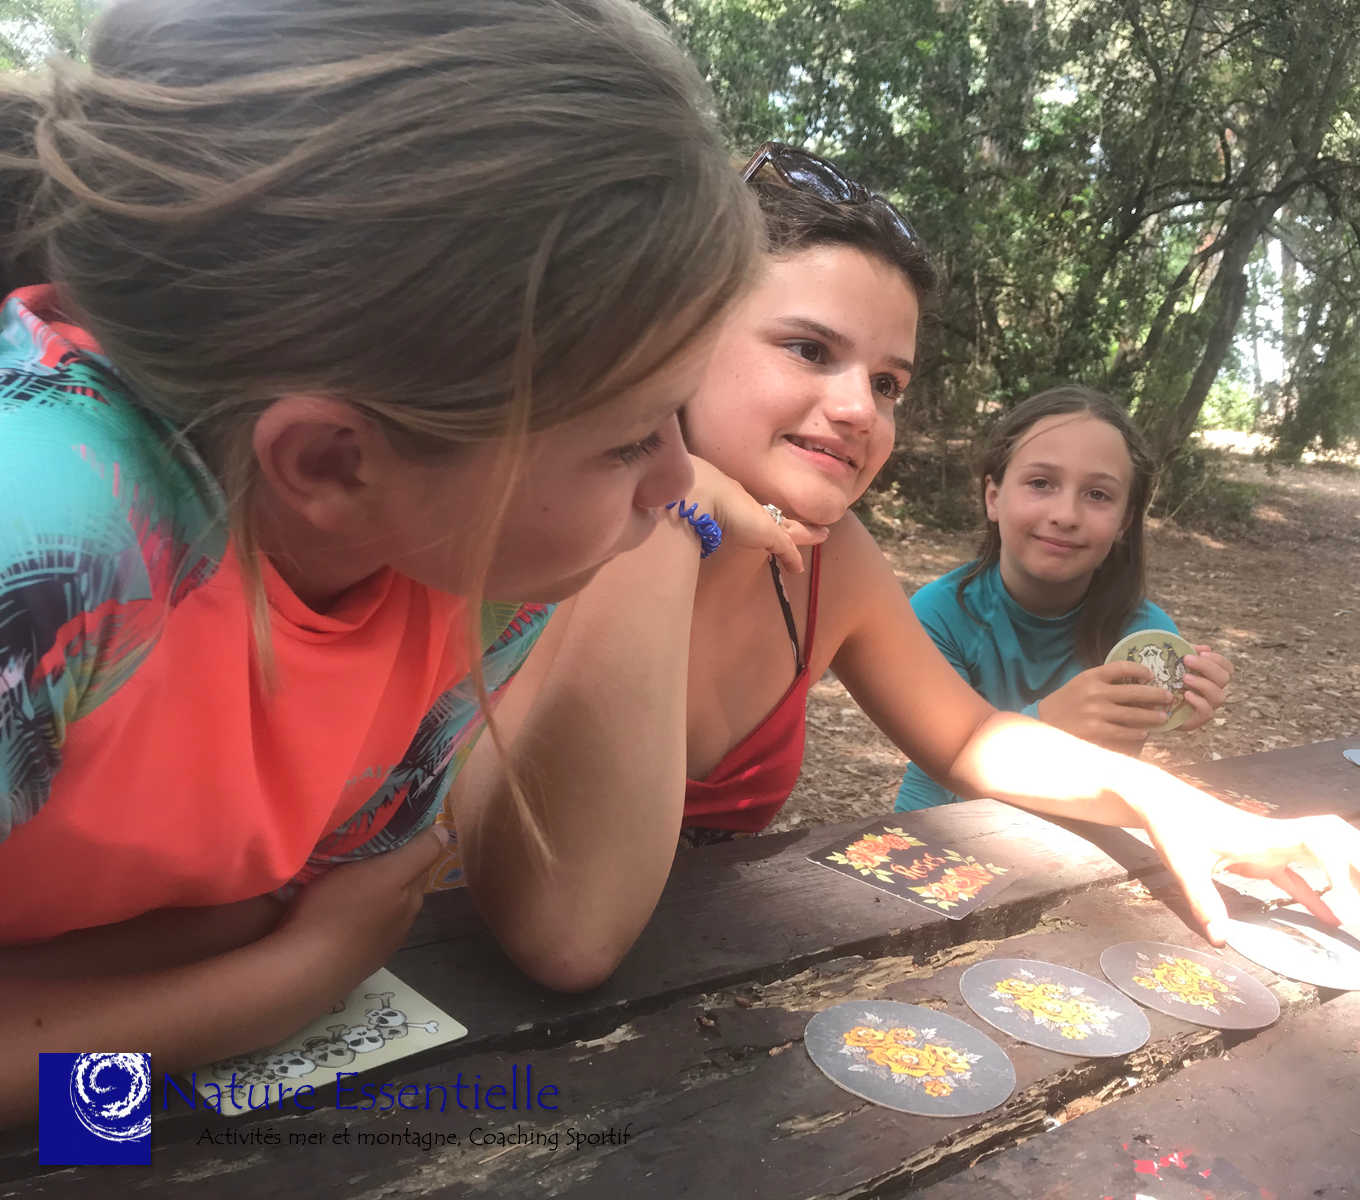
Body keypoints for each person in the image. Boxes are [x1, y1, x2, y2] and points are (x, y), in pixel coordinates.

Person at [0, 0, 805, 1127]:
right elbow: (299, 943)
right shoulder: (47, 546)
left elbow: (287, 907)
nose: (681, 483)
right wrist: (274, 988)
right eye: (630, 440)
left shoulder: (478, 573)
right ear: (330, 462)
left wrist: (181, 983)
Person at [453, 143, 1360, 995]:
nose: (860, 409)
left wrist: (1178, 808)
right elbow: (567, 939)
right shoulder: (557, 531)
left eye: (887, 382)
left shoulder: (832, 562)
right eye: (809, 350)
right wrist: (676, 505)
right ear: (678, 342)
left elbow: (971, 735)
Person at [896, 387, 1235, 812]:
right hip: (935, 826)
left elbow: (1107, 787)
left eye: (1098, 495)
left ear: (1124, 521)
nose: (1066, 515)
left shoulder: (1145, 638)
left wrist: (1180, 705)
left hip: (1076, 836)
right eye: (1040, 483)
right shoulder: (939, 615)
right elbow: (944, 771)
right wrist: (1050, 719)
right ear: (993, 497)